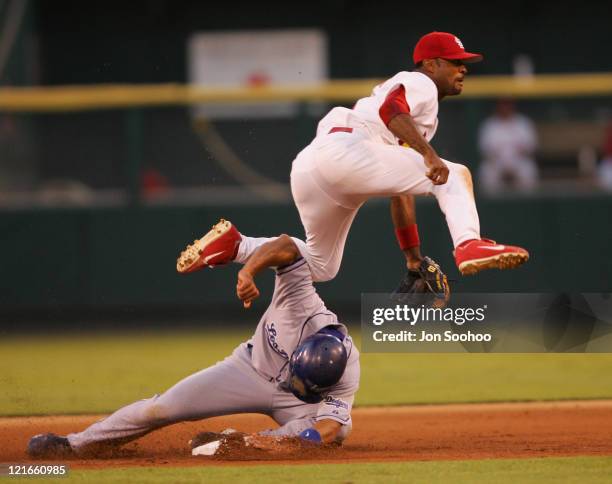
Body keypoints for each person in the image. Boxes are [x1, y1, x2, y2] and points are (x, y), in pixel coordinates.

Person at [27, 223, 359, 458]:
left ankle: (243, 442)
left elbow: (330, 425)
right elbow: (286, 246)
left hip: (292, 402)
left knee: (333, 433)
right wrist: (248, 271)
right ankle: (76, 444)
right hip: (250, 369)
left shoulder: (347, 369)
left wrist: (278, 441)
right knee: (163, 407)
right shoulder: (300, 302)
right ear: (302, 353)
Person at [478, 98, 539, 193]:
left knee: (528, 171)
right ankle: (492, 206)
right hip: (497, 162)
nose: (505, 108)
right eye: (503, 105)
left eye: (508, 105)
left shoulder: (523, 123)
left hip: (518, 161)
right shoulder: (489, 125)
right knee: (487, 173)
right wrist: (503, 163)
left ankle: (527, 205)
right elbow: (485, 150)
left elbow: (531, 147)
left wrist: (515, 159)